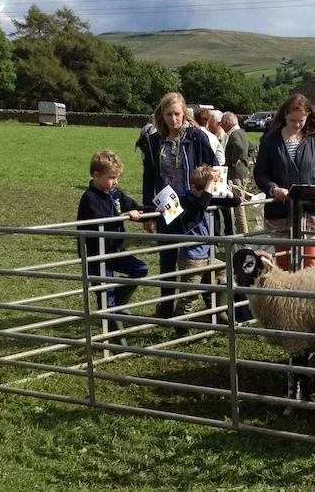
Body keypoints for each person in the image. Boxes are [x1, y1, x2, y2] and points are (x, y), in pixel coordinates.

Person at [137, 92, 218, 319]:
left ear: (185, 114)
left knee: (198, 257)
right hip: (166, 205)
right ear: (162, 115)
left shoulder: (196, 137)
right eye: (169, 114)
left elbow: (215, 167)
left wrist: (205, 192)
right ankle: (165, 308)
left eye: (177, 114)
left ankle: (213, 307)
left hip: (192, 203)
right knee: (167, 260)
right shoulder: (154, 142)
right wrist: (147, 213)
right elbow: (149, 177)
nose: (173, 119)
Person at [76, 149, 149, 346]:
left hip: (115, 250)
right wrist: (124, 216)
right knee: (105, 298)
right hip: (96, 255)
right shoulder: (90, 198)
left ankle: (116, 304)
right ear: (96, 176)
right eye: (112, 178)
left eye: (117, 177)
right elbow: (99, 221)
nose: (115, 182)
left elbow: (135, 206)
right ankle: (117, 342)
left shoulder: (115, 194)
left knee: (140, 269)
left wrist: (155, 211)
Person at [253, 93, 315, 269]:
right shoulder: (270, 140)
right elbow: (260, 173)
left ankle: (310, 296)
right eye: (292, 120)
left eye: (301, 121)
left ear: (307, 117)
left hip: (309, 210)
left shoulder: (314, 141)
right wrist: (273, 189)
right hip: (280, 210)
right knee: (283, 263)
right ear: (284, 116)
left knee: (311, 264)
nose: (297, 125)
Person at [163, 165, 242, 332]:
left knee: (225, 276)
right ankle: (181, 327)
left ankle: (218, 313)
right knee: (189, 296)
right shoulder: (185, 199)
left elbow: (236, 201)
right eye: (207, 189)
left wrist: (223, 190)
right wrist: (209, 186)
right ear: (193, 187)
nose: (209, 194)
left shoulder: (206, 196)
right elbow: (199, 206)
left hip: (207, 255)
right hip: (191, 257)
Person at [222, 111, 251, 235]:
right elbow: (252, 147)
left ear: (228, 122)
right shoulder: (242, 133)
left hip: (236, 174)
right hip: (243, 173)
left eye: (223, 124)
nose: (222, 127)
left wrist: (234, 161)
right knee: (241, 201)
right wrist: (245, 160)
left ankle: (242, 234)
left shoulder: (234, 135)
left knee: (238, 205)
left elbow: (239, 147)